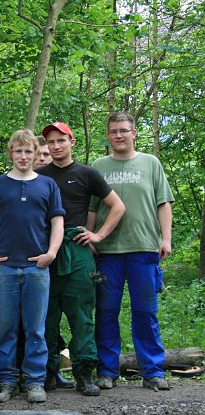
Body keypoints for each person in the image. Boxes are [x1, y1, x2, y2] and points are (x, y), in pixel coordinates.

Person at [89, 111, 174, 391]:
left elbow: (163, 203)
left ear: (134, 133)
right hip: (107, 252)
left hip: (144, 248)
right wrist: (90, 239)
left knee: (145, 312)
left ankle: (152, 372)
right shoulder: (98, 166)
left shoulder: (151, 163)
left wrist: (166, 239)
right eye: (113, 131)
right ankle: (107, 371)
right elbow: (92, 208)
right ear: (107, 135)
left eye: (124, 130)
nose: (118, 135)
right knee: (106, 312)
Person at [39, 122, 125, 396]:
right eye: (51, 142)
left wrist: (98, 235)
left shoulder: (87, 173)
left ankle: (84, 373)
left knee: (82, 315)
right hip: (45, 251)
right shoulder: (39, 176)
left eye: (61, 140)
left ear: (71, 142)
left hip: (77, 250)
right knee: (46, 316)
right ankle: (47, 372)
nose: (56, 146)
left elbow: (118, 206)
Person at [0, 129, 64, 404]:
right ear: (11, 153)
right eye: (19, 151)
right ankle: (7, 381)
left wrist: (51, 253)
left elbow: (57, 222)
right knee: (5, 328)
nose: (24, 156)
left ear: (36, 154)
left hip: (36, 268)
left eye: (28, 151)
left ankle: (35, 381)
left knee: (35, 328)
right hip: (3, 268)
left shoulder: (48, 185)